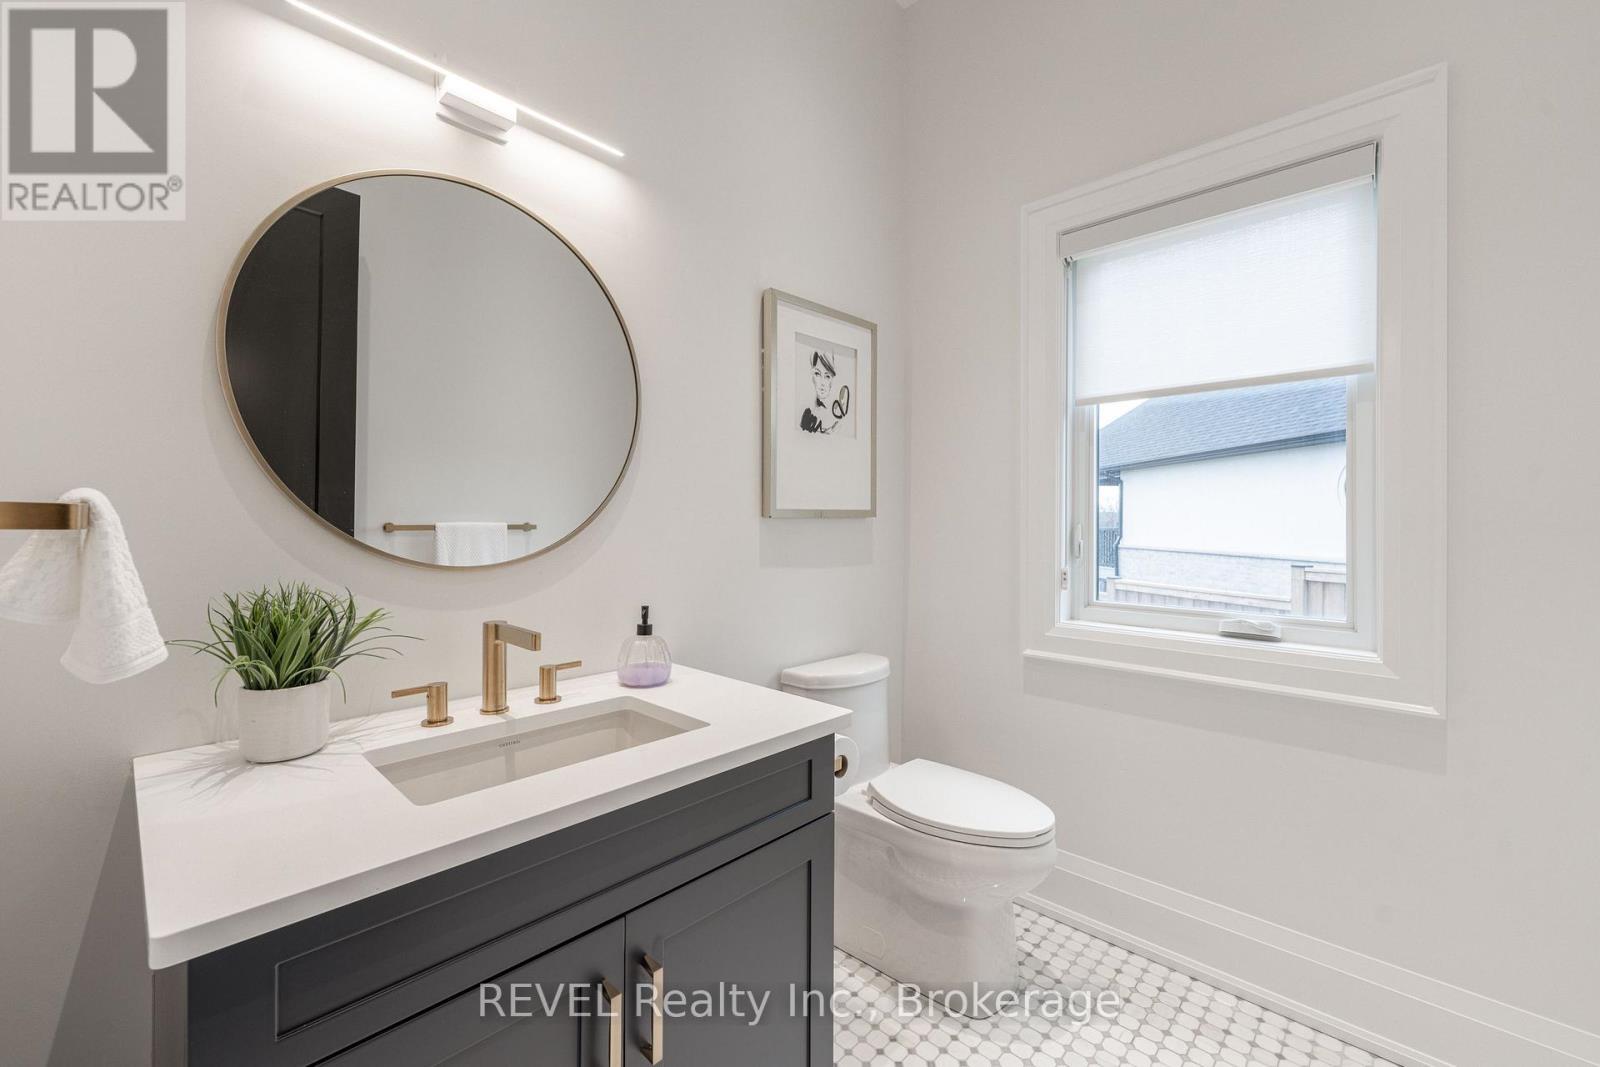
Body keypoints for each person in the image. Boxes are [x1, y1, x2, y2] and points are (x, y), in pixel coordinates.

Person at [800, 348, 849, 434]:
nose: (822, 382)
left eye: (827, 376)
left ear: (832, 380)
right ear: (812, 377)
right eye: (817, 374)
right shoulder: (807, 413)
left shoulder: (838, 417)